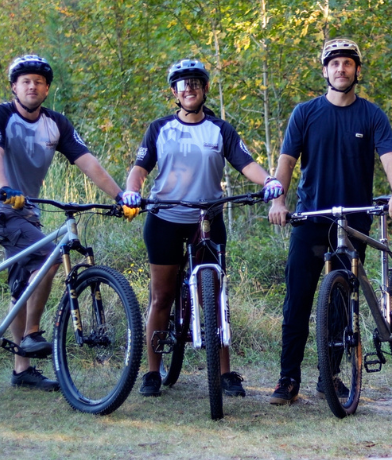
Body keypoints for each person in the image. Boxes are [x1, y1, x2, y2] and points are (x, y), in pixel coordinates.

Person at [120, 59, 284, 398]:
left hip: (207, 220)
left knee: (214, 295)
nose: (189, 88)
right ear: (174, 93)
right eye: (182, 84)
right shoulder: (159, 128)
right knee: (162, 296)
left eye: (195, 82)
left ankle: (225, 372)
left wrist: (269, 179)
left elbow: (245, 163)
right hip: (164, 219)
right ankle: (152, 371)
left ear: (205, 88)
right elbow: (139, 168)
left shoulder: (220, 130)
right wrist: (133, 191)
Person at [265, 38, 392, 405]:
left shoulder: (371, 115)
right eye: (334, 64)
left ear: (357, 70)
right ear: (325, 70)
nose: (341, 69)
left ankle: (329, 376)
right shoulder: (305, 113)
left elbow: (389, 156)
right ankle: (288, 379)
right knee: (297, 301)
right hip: (312, 219)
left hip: (353, 222)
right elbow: (286, 162)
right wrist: (278, 199)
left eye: (347, 63)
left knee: (341, 304)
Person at [0, 54, 125, 392]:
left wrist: (120, 195)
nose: (32, 85)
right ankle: (30, 333)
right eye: (25, 80)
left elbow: (88, 162)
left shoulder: (56, 124)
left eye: (38, 81)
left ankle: (21, 369)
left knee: (29, 277)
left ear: (46, 89)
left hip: (26, 211)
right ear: (14, 87)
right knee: (51, 258)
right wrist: (3, 188)